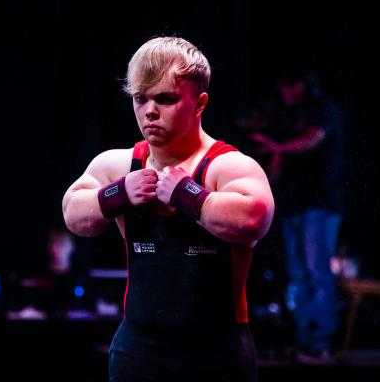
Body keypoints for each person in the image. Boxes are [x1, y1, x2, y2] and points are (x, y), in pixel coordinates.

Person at [62, 37, 275, 381]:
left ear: (199, 103)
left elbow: (255, 218)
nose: (150, 111)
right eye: (140, 98)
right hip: (139, 349)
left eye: (166, 99)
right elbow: (73, 212)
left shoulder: (228, 167)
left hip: (218, 352)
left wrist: (187, 194)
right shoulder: (118, 164)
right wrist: (117, 193)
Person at [249, 70, 344, 364]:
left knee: (317, 274)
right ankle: (304, 341)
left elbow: (313, 139)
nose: (286, 94)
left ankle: (320, 343)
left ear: (303, 84)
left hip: (320, 205)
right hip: (293, 206)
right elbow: (277, 163)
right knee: (297, 276)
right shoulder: (289, 116)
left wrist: (278, 148)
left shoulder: (322, 110)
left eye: (290, 87)